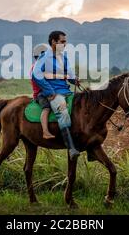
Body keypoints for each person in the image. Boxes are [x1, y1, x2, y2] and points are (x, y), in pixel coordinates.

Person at [32, 31, 80, 160]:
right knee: (63, 112)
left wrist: (75, 79)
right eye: (62, 41)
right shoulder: (44, 57)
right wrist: (50, 91)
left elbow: (69, 75)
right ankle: (71, 148)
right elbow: (36, 75)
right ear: (53, 42)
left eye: (65, 41)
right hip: (54, 93)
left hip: (66, 90)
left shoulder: (63, 57)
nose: (65, 44)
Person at [30, 44, 55, 139]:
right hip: (41, 94)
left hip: (45, 92)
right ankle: (45, 131)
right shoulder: (36, 68)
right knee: (46, 108)